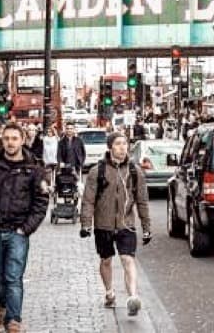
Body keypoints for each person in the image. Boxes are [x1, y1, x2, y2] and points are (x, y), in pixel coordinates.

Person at [0, 124, 49, 333]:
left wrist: (26, 229)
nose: (10, 142)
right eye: (6, 138)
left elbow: (41, 202)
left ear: (22, 140)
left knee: (13, 277)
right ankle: (3, 310)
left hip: (18, 232)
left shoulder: (33, 167)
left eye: (14, 138)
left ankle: (14, 320)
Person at [80, 132, 151, 318]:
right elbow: (88, 200)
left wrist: (146, 227)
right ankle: (110, 292)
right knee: (106, 260)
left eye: (125, 144)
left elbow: (142, 201)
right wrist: (86, 224)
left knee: (128, 259)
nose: (122, 147)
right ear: (110, 147)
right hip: (103, 225)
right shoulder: (98, 171)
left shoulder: (135, 171)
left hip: (126, 225)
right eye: (118, 144)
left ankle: (133, 297)